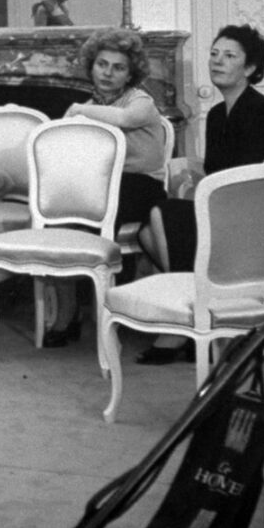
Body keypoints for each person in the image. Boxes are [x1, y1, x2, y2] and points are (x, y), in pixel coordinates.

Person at [138, 23, 264, 363]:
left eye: (230, 56)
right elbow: (217, 172)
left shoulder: (258, 110)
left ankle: (186, 325)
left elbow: (258, 181)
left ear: (250, 68)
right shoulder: (219, 113)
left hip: (254, 223)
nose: (217, 61)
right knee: (150, 232)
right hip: (224, 215)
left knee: (163, 213)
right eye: (214, 54)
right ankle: (196, 318)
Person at [44, 28, 169, 347]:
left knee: (89, 215)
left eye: (118, 67)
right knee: (57, 222)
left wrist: (80, 111)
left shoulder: (141, 101)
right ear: (92, 66)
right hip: (102, 187)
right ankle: (68, 312)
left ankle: (114, 307)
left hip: (142, 186)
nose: (108, 73)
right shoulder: (89, 105)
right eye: (102, 64)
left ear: (130, 74)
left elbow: (126, 118)